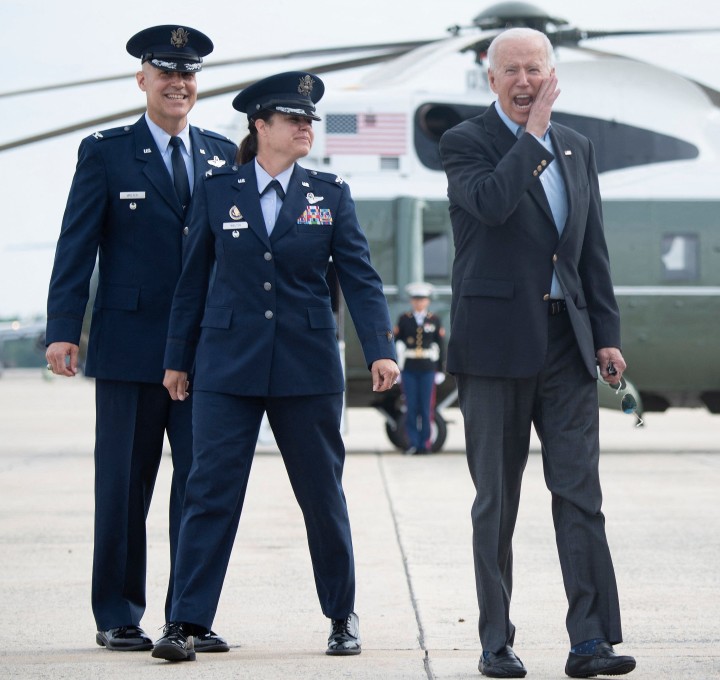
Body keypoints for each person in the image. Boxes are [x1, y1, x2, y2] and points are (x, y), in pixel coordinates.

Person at [153, 71, 399, 662]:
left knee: (321, 495)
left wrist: (381, 348)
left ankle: (342, 616)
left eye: (309, 120)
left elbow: (360, 280)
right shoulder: (217, 190)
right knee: (208, 492)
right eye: (293, 119)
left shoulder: (329, 192)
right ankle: (185, 621)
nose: (305, 128)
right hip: (226, 366)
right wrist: (176, 361)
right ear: (260, 127)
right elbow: (191, 285)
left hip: (307, 367)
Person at [439, 27, 636, 680]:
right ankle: (496, 642)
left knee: (580, 495)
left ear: (553, 73)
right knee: (497, 500)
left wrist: (605, 334)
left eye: (536, 69)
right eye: (513, 71)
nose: (525, 81)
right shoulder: (465, 143)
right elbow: (493, 205)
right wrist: (532, 134)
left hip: (566, 344)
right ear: (490, 79)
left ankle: (592, 642)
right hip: (494, 348)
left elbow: (591, 252)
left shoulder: (578, 148)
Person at [43, 25, 237, 654]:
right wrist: (62, 330)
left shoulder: (220, 153)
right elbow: (76, 245)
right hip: (129, 347)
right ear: (143, 79)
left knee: (200, 486)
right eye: (166, 72)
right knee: (125, 486)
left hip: (203, 354)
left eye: (188, 74)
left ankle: (188, 616)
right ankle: (119, 613)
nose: (179, 83)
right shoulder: (107, 152)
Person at [393, 281, 446, 455]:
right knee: (411, 407)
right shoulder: (404, 319)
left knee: (426, 408)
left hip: (428, 368)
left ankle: (425, 443)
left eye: (422, 299)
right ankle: (413, 443)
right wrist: (397, 369)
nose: (419, 302)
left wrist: (440, 370)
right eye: (416, 299)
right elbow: (397, 344)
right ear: (411, 301)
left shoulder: (434, 320)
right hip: (409, 368)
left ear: (427, 301)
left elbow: (440, 346)